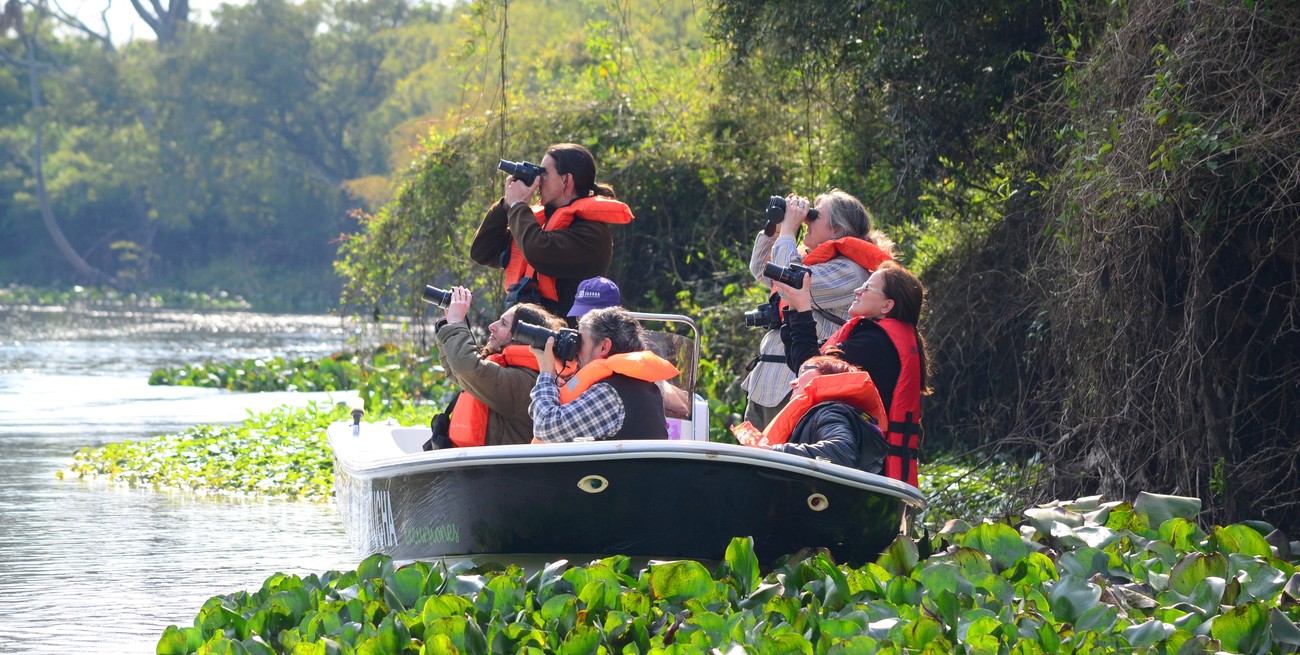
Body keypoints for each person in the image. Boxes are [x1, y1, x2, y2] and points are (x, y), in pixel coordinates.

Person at [740, 189, 894, 431]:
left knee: (779, 464)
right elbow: (761, 268)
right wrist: (778, 230)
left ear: (837, 230)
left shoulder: (850, 272)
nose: (806, 220)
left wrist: (791, 231)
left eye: (814, 216)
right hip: (764, 384)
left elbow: (789, 281)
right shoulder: (806, 259)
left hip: (792, 386)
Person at [770, 260, 931, 485]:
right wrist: (794, 308)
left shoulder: (875, 342)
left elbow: (812, 369)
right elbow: (804, 366)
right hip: (869, 457)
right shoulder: (877, 337)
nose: (858, 290)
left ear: (887, 306)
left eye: (867, 288)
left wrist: (804, 308)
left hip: (855, 452)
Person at [469, 143, 635, 319]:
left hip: (563, 337)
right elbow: (482, 252)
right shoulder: (536, 222)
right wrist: (506, 206)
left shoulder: (592, 234)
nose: (539, 180)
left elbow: (539, 251)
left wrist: (518, 205)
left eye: (545, 174)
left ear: (567, 180)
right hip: (523, 334)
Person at [433, 287, 567, 447]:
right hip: (486, 467)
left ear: (523, 336)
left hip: (498, 470)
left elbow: (467, 369)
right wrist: (448, 323)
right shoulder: (512, 371)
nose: (492, 326)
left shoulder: (525, 382)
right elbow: (457, 372)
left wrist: (456, 324)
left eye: (503, 324)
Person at [527, 306, 678, 442]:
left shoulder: (610, 393)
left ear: (604, 346)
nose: (576, 350)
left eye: (581, 342)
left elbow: (546, 427)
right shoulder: (647, 386)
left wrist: (546, 373)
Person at [731, 356, 889, 473]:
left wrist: (774, 452)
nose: (793, 382)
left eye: (802, 373)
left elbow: (842, 452)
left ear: (827, 377)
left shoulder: (831, 412)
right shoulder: (842, 414)